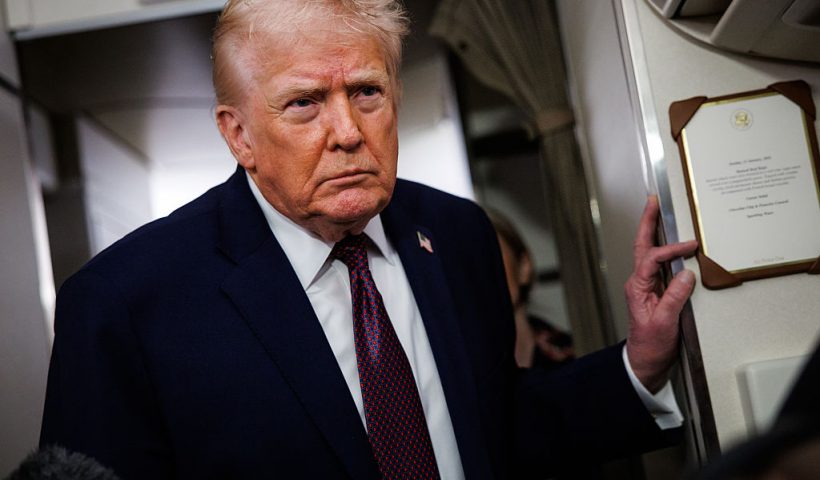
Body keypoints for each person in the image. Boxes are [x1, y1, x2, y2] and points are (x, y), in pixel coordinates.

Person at [39, 1, 699, 479]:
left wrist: (636, 365)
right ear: (238, 134)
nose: (348, 130)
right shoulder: (124, 303)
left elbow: (496, 427)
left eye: (366, 91)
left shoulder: (457, 234)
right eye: (305, 103)